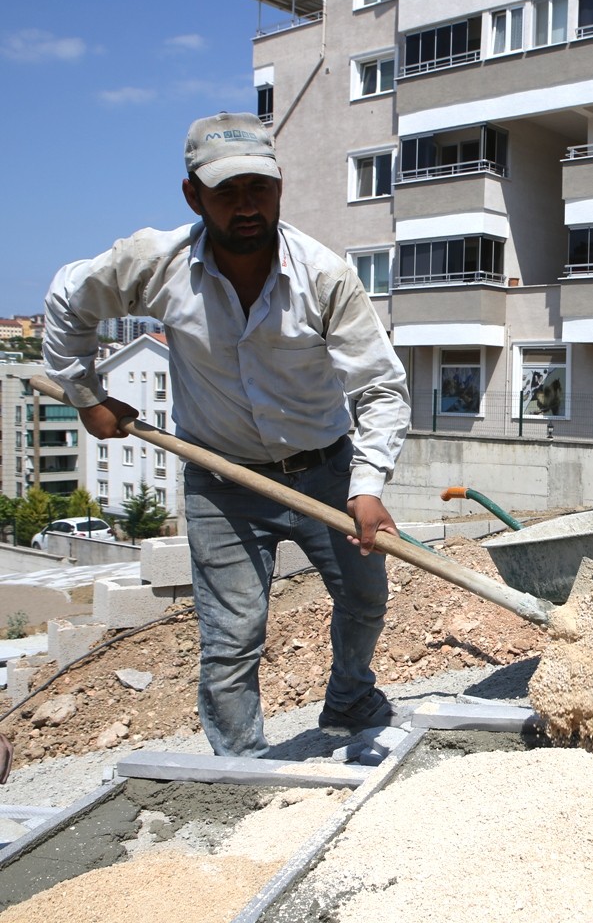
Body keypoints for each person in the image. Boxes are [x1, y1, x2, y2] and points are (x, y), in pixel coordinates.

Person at [43, 112, 412, 757]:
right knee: (232, 634)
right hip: (222, 481)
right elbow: (67, 300)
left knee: (364, 598)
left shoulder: (323, 277)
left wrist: (367, 486)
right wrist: (87, 395)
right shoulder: (153, 265)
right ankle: (240, 770)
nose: (246, 207)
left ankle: (351, 698)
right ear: (193, 196)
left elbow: (379, 387)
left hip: (324, 470)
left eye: (257, 189)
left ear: (279, 188)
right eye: (226, 192)